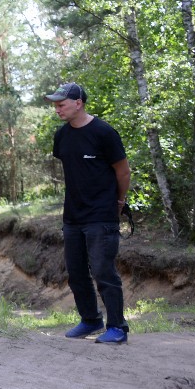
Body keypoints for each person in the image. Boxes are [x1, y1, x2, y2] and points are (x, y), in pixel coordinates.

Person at [46, 82, 131, 344]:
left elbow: (123, 171)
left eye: (61, 104)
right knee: (76, 272)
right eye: (56, 105)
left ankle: (117, 327)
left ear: (78, 103)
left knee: (104, 270)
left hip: (101, 214)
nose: (57, 109)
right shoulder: (61, 136)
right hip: (72, 216)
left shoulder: (104, 133)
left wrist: (119, 202)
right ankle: (90, 320)